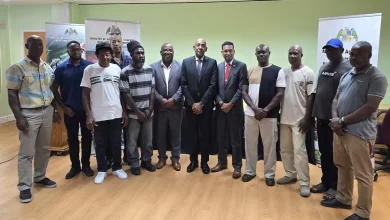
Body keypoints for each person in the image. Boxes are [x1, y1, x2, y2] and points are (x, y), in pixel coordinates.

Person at [321, 41, 388, 220]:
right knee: (343, 166)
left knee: (363, 174)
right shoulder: (348, 74)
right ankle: (343, 198)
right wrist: (336, 120)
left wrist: (342, 121)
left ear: (369, 55)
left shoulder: (377, 77)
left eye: (358, 54)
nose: (353, 57)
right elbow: (336, 99)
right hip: (340, 131)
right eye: (352, 54)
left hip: (359, 133)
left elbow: (370, 107)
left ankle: (363, 212)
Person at [6, 35, 61, 203]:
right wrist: (18, 117)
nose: (38, 47)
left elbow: (51, 90)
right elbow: (12, 94)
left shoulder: (47, 67)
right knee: (26, 152)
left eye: (40, 44)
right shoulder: (17, 68)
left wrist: (55, 110)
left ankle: (40, 176)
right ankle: (24, 186)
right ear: (26, 45)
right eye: (34, 44)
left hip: (47, 110)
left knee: (44, 148)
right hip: (28, 114)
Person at [81, 42, 128, 184]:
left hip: (115, 112)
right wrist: (88, 115)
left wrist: (124, 112)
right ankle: (101, 170)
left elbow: (121, 92)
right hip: (98, 114)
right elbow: (85, 94)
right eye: (102, 55)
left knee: (115, 142)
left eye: (108, 54)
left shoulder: (116, 69)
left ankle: (117, 168)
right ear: (97, 56)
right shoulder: (90, 70)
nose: (105, 57)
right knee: (100, 143)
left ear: (111, 55)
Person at [310, 38, 352, 199]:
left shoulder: (347, 69)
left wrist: (339, 120)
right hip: (321, 118)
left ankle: (335, 186)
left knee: (337, 156)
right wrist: (314, 115)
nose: (329, 52)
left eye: (333, 49)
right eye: (327, 49)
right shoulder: (324, 67)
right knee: (324, 153)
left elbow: (345, 96)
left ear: (341, 51)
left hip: (336, 121)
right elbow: (319, 92)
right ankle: (325, 182)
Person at [241, 44, 285, 186]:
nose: (261, 55)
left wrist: (265, 110)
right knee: (250, 145)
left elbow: (280, 94)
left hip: (270, 115)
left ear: (269, 53)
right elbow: (244, 92)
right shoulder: (250, 70)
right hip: (250, 115)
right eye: (259, 52)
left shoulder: (278, 71)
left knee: (270, 146)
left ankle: (269, 174)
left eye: (264, 52)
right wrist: (255, 108)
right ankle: (250, 171)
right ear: (256, 54)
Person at [52, 41, 94, 179]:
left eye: (78, 49)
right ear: (67, 51)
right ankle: (75, 166)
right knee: (72, 139)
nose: (76, 51)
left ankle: (86, 165)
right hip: (70, 110)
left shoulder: (89, 66)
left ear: (81, 51)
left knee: (87, 138)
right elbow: (54, 88)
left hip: (86, 109)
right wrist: (63, 108)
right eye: (72, 49)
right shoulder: (61, 68)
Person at [278, 45, 315, 197]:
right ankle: (290, 174)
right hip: (284, 118)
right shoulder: (284, 72)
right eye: (290, 53)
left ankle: (304, 182)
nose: (293, 56)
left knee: (300, 151)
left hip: (300, 119)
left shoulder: (309, 73)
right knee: (285, 149)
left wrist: (308, 118)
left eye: (296, 53)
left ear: (301, 54)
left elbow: (311, 96)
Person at [119, 41, 156, 175]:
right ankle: (134, 163)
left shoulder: (150, 69)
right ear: (131, 55)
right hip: (133, 115)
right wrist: (137, 112)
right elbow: (126, 95)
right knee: (132, 142)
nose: (141, 56)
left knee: (148, 141)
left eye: (142, 53)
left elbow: (152, 91)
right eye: (137, 53)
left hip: (148, 114)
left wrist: (150, 109)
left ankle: (146, 161)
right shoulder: (125, 72)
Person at [181, 38, 217, 174]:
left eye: (203, 45)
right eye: (198, 45)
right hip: (190, 108)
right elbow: (183, 84)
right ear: (194, 47)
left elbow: (213, 85)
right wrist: (192, 104)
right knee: (192, 135)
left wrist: (201, 103)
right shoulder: (186, 62)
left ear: (206, 49)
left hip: (206, 107)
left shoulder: (212, 63)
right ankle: (193, 161)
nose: (200, 47)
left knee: (205, 135)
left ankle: (204, 163)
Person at [210, 41, 246, 179]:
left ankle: (237, 167)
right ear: (222, 53)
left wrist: (230, 103)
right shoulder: (217, 67)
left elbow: (241, 88)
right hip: (220, 109)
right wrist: (220, 102)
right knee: (221, 137)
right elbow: (214, 87)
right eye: (225, 51)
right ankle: (222, 162)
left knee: (236, 139)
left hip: (235, 109)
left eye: (230, 50)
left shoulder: (241, 66)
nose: (228, 53)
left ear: (234, 51)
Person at [151, 43, 183, 171]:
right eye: (165, 50)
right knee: (161, 134)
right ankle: (162, 158)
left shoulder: (181, 66)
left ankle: (175, 159)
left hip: (176, 107)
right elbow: (152, 87)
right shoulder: (153, 67)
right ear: (161, 52)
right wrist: (161, 99)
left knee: (176, 134)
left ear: (173, 52)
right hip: (160, 107)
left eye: (170, 50)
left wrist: (173, 99)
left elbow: (183, 85)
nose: (167, 52)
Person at [109, 35, 133, 166]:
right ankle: (113, 158)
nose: (116, 44)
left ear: (122, 43)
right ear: (110, 44)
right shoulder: (106, 60)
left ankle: (128, 156)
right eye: (113, 42)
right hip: (112, 101)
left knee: (128, 132)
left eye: (118, 41)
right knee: (114, 134)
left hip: (127, 99)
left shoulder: (129, 59)